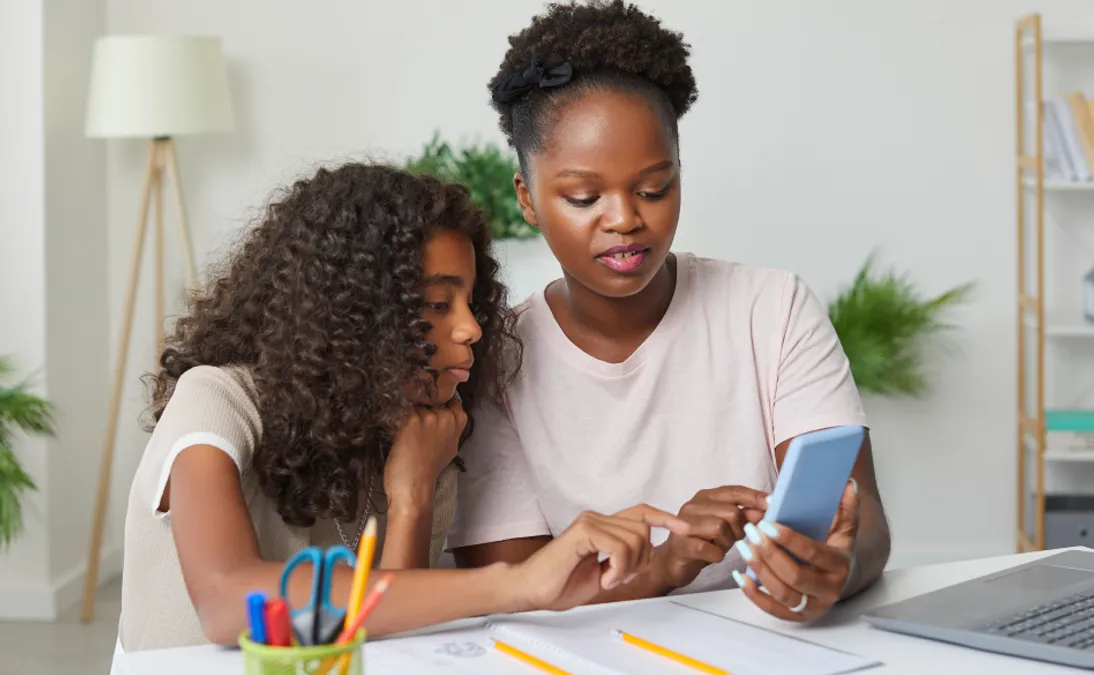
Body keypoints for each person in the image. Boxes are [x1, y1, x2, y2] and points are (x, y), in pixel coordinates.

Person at [116, 162, 688, 652]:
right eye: (438, 304)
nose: (470, 328)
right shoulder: (218, 399)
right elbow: (226, 600)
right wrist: (518, 584)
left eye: (470, 301)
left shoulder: (423, 435)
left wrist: (411, 495)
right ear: (351, 315)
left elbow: (388, 644)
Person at [448, 0, 891, 623]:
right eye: (583, 196)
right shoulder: (496, 357)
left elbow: (862, 520)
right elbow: (513, 588)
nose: (626, 218)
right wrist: (666, 564)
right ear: (528, 198)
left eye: (654, 188)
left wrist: (834, 569)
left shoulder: (771, 307)